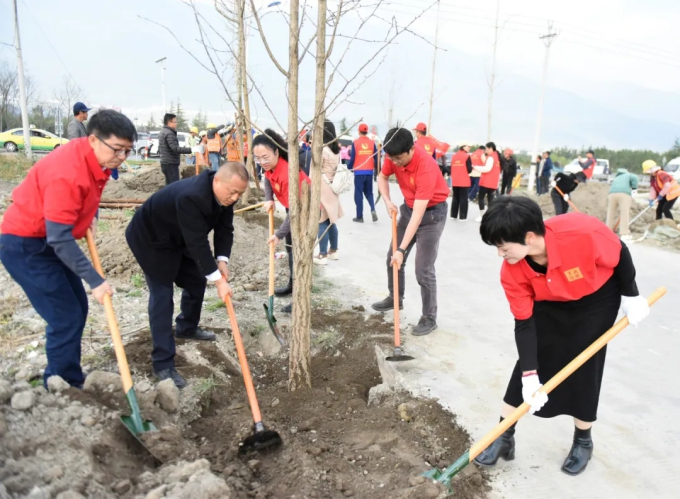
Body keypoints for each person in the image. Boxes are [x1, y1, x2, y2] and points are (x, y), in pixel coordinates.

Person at [476, 196, 649, 476]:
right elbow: (524, 324)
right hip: (550, 301)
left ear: (529, 237)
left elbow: (619, 251)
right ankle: (503, 435)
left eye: (503, 247)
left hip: (597, 299)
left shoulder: (581, 232)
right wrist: (530, 375)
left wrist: (631, 294)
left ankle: (583, 441)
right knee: (530, 361)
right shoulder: (512, 270)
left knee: (585, 363)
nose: (500, 254)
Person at [0, 110, 135, 388]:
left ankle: (67, 373)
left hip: (47, 239)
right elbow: (60, 239)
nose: (122, 157)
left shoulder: (94, 155)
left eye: (127, 151)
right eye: (117, 149)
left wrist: (91, 215)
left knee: (77, 307)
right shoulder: (67, 173)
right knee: (65, 316)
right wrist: (96, 281)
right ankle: (61, 384)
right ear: (94, 139)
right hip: (25, 245)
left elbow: (90, 193)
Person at [125, 162, 247, 388]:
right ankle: (163, 363)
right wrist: (218, 281)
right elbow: (197, 243)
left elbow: (224, 228)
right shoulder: (191, 196)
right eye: (233, 192)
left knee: (196, 279)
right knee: (162, 295)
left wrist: (222, 260)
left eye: (240, 193)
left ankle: (186, 327)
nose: (235, 198)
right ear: (217, 181)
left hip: (179, 237)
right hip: (151, 239)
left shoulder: (226, 195)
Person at [372, 127, 449, 336]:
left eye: (398, 158)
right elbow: (382, 177)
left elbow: (418, 215)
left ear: (411, 149)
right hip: (409, 208)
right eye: (391, 158)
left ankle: (429, 317)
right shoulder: (393, 154)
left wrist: (402, 249)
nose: (394, 162)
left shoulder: (426, 167)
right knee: (392, 258)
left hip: (431, 215)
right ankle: (395, 298)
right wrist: (387, 201)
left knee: (423, 268)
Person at [254, 129, 311, 313]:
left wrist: (278, 234)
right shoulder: (270, 167)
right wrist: (269, 198)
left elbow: (295, 211)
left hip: (305, 212)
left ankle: (300, 297)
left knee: (299, 254)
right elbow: (268, 180)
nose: (262, 162)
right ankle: (292, 286)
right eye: (257, 158)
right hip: (292, 208)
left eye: (265, 157)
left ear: (276, 152)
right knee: (291, 249)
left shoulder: (287, 173)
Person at [314, 121, 344, 265]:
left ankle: (322, 255)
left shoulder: (322, 150)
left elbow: (315, 170)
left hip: (323, 187)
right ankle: (333, 250)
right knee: (331, 220)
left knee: (322, 221)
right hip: (333, 187)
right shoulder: (336, 150)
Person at [348, 123, 378, 223]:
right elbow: (376, 158)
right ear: (367, 132)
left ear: (359, 131)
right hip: (369, 172)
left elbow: (352, 158)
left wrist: (349, 167)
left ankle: (359, 217)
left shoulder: (355, 143)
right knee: (369, 193)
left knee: (358, 194)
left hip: (359, 172)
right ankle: (373, 209)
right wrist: (377, 170)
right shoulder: (372, 143)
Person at [159, 113, 192, 185]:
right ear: (169, 122)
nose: (176, 124)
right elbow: (175, 149)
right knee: (174, 185)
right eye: (175, 122)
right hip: (170, 163)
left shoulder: (163, 131)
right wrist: (191, 150)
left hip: (165, 162)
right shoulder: (169, 133)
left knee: (169, 185)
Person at [606, 168, 639, 241]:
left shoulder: (616, 178)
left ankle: (607, 232)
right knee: (624, 213)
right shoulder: (628, 175)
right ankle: (624, 234)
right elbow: (635, 178)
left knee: (610, 213)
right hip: (624, 194)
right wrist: (634, 188)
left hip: (611, 194)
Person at [474, 142, 501, 222]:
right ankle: (490, 216)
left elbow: (487, 169)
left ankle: (482, 216)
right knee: (490, 200)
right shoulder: (498, 157)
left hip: (486, 182)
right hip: (493, 183)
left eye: (486, 149)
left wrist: (476, 167)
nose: (485, 151)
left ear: (490, 148)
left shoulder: (491, 158)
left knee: (481, 198)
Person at [449, 143, 472, 220]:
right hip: (464, 181)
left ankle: (453, 215)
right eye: (468, 146)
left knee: (455, 198)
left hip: (455, 180)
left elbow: (451, 168)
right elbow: (469, 169)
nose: (469, 148)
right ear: (463, 147)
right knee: (463, 199)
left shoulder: (454, 156)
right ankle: (462, 217)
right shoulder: (467, 156)